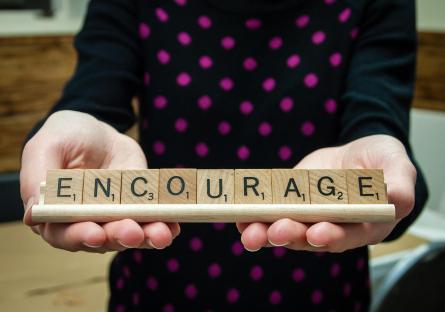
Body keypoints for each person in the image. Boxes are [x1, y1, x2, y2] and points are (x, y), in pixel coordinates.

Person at [20, 0, 428, 311]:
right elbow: (96, 88)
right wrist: (74, 122)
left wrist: (383, 165)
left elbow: (377, 116)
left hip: (321, 285)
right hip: (157, 283)